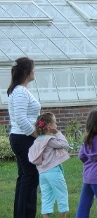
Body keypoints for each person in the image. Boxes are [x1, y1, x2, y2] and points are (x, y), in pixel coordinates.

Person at [7, 56, 41, 218]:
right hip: (24, 139)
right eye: (33, 69)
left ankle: (21, 214)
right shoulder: (20, 91)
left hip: (21, 138)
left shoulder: (20, 90)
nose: (35, 72)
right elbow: (21, 118)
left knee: (25, 178)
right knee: (30, 177)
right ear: (27, 73)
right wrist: (36, 135)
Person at [28, 112, 70, 218]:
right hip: (53, 172)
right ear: (49, 127)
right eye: (55, 123)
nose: (56, 125)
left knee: (46, 197)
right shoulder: (49, 140)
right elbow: (65, 145)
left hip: (42, 174)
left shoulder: (37, 141)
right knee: (62, 195)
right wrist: (57, 133)